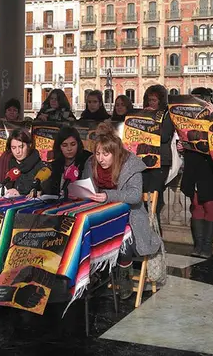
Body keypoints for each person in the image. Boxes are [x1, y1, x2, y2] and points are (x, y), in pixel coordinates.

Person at [81, 122, 163, 299]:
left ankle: (124, 275)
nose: (100, 158)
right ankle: (94, 275)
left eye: (105, 154)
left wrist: (108, 196)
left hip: (130, 216)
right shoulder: (91, 163)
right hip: (100, 214)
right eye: (97, 153)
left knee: (123, 243)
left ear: (115, 153)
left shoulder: (130, 164)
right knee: (84, 236)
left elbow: (134, 195)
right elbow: (86, 186)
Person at [179, 88, 213, 258]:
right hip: (193, 164)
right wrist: (181, 146)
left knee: (209, 205)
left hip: (210, 167)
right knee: (195, 204)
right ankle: (198, 245)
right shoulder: (188, 117)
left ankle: (208, 246)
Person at [142, 85, 175, 229]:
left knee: (154, 200)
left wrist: (151, 120)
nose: (151, 103)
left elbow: (164, 135)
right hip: (144, 160)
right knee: (144, 200)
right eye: (149, 100)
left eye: (154, 100)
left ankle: (155, 236)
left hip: (161, 161)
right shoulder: (143, 113)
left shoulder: (167, 115)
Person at [0, 129, 45, 197]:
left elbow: (44, 188)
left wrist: (22, 192)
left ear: (29, 145)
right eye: (13, 148)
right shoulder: (4, 161)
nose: (17, 151)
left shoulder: (40, 166)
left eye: (21, 147)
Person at [41, 126, 92, 196]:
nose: (69, 149)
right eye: (65, 145)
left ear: (78, 144)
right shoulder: (55, 165)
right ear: (59, 147)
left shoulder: (87, 160)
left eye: (73, 144)